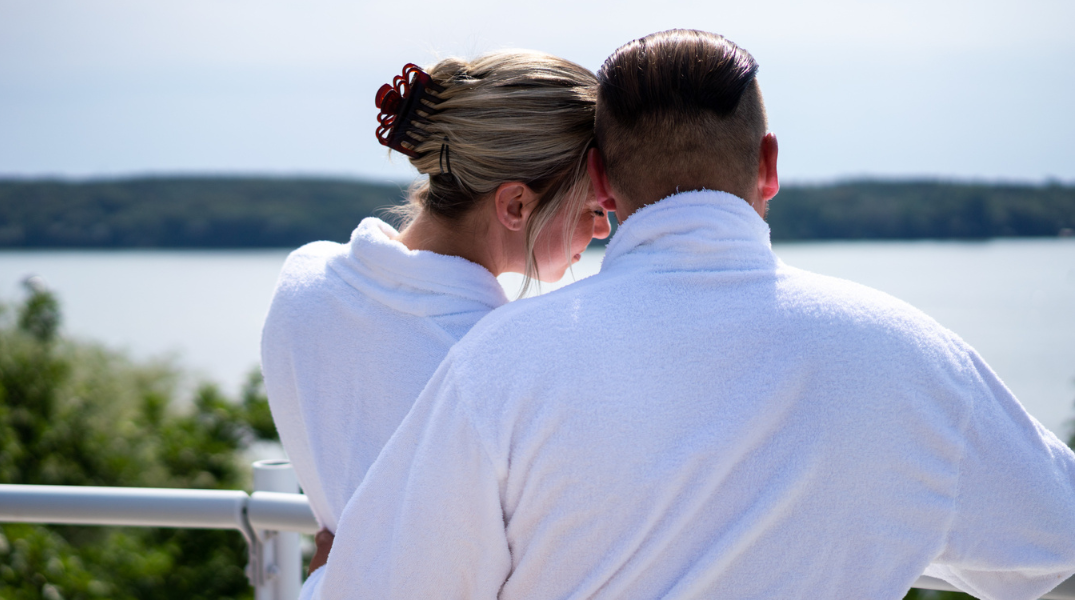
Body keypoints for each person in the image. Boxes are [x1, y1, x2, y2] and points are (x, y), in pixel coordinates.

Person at [306, 29, 1075, 600]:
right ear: (768, 166)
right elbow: (1053, 534)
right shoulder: (913, 359)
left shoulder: (497, 364)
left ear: (601, 179)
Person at [259, 50, 611, 576]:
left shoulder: (303, 282)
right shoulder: (506, 362)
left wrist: (340, 573)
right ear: (515, 205)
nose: (604, 229)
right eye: (592, 208)